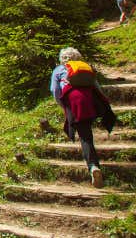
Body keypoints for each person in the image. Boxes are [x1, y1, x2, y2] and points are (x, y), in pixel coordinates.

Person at [50, 47, 117, 187]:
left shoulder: (59, 70)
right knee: (86, 130)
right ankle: (93, 163)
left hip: (75, 103)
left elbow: (55, 90)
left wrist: (62, 104)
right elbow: (96, 87)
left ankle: (93, 167)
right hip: (91, 101)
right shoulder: (85, 67)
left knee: (85, 135)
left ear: (62, 59)